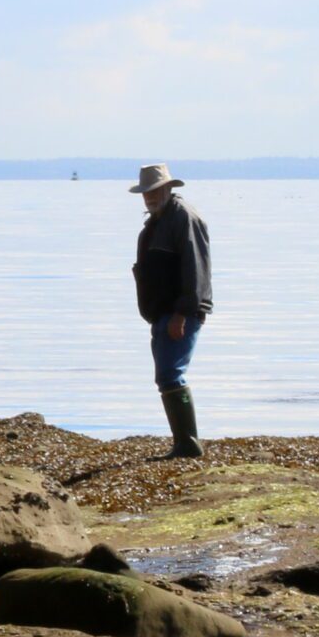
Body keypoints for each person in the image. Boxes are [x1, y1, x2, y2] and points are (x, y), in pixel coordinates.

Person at [129, 164, 211, 458]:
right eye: (146, 193)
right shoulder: (155, 223)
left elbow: (195, 267)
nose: (149, 197)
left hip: (180, 314)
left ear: (167, 188)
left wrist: (183, 313)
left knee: (171, 375)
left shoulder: (183, 218)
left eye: (154, 191)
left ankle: (188, 443)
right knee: (166, 376)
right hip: (161, 314)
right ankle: (183, 442)